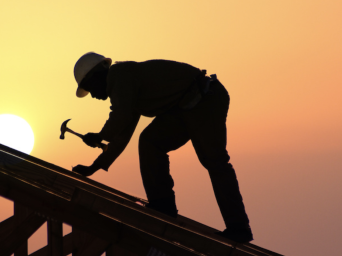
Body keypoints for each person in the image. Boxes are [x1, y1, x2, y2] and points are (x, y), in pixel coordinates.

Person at [71, 52, 253, 243]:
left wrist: (100, 136)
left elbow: (121, 116)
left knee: (215, 162)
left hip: (205, 99)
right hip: (184, 107)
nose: (92, 95)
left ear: (96, 76)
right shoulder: (125, 88)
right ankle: (163, 206)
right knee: (150, 142)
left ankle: (239, 228)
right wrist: (95, 166)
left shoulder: (119, 76)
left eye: (89, 88)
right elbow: (122, 134)